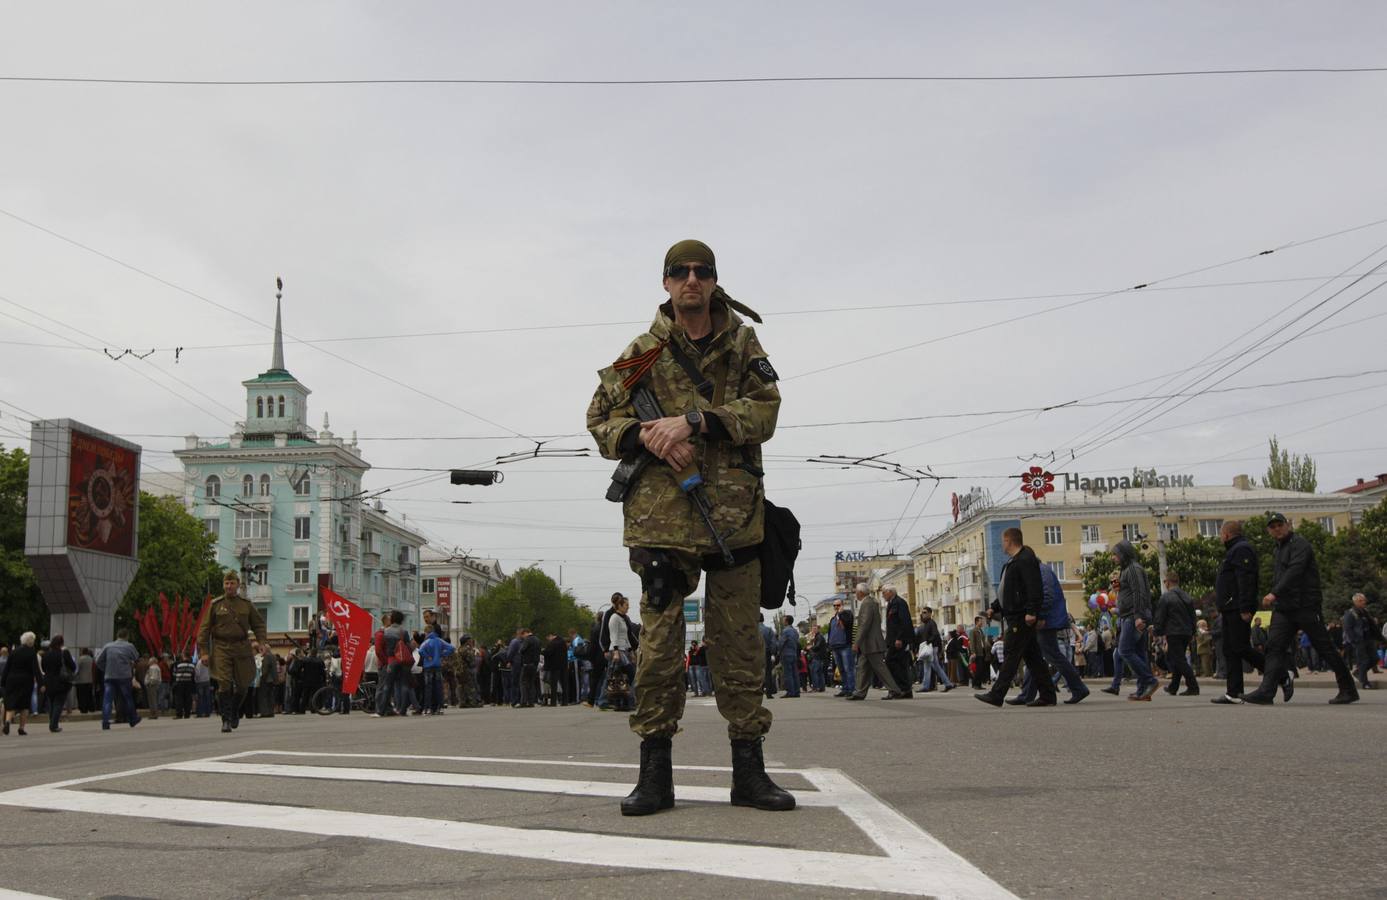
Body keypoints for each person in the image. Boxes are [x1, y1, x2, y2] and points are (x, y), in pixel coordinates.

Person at [586, 238, 792, 816]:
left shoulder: (741, 344)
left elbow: (766, 411)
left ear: (714, 280)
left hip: (733, 518)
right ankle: (655, 776)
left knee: (740, 647)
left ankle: (749, 773)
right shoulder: (643, 353)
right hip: (661, 518)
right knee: (657, 648)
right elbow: (599, 418)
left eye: (702, 272)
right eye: (681, 272)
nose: (692, 281)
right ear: (667, 283)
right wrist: (643, 435)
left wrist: (695, 421)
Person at [1243, 514, 1358, 705]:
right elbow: (1280, 575)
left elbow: (1294, 571)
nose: (1277, 529)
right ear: (1269, 531)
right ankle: (1266, 691)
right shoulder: (1278, 549)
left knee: (1325, 647)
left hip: (1305, 605)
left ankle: (1348, 689)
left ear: (1287, 526)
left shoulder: (1300, 544)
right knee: (1274, 647)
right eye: (1273, 527)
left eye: (1280, 525)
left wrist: (1274, 593)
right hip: (1284, 609)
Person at [975, 528, 1056, 708]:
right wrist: (994, 607)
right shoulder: (1014, 561)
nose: (1002, 545)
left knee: (1011, 654)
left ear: (1009, 541)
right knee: (1034, 659)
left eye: (1003, 542)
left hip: (1021, 617)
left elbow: (1034, 588)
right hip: (1015, 615)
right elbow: (1009, 591)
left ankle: (997, 694)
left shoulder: (1026, 560)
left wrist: (1032, 611)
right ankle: (1048, 695)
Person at [196, 570, 269, 733]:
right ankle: (226, 719)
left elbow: (258, 624)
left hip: (242, 647)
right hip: (221, 647)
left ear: (238, 585)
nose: (229, 586)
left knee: (243, 684)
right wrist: (204, 652)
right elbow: (204, 629)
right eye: (226, 583)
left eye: (232, 583)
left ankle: (235, 709)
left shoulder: (246, 604)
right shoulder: (215, 605)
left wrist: (262, 642)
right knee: (224, 682)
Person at [1012, 562, 1089, 705]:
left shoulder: (1041, 570)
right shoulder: (1038, 571)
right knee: (1036, 656)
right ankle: (1027, 694)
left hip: (1047, 621)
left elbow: (1046, 595)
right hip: (1046, 619)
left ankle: (1079, 688)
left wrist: (1041, 616)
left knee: (1051, 656)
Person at [1104, 540, 1159, 701]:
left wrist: (1137, 616)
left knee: (1125, 650)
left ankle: (1150, 681)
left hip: (1132, 616)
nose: (1113, 558)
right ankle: (1143, 690)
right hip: (1131, 615)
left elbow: (1139, 593)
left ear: (1123, 554)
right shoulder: (1128, 569)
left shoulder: (1133, 569)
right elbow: (1131, 591)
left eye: (1115, 554)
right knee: (1139, 652)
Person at [847, 587, 905, 701]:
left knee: (880, 669)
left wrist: (856, 642)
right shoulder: (870, 602)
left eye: (856, 592)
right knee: (862, 667)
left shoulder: (867, 603)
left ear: (860, 592)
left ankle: (895, 690)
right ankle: (860, 692)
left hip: (871, 643)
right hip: (868, 644)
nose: (855, 595)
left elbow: (865, 624)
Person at [1154, 572, 1199, 696]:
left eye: (1165, 582)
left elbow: (1160, 616)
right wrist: (1193, 632)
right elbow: (1193, 616)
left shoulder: (1166, 597)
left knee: (1179, 660)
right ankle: (1173, 687)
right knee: (1178, 659)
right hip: (1186, 632)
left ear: (1168, 582)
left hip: (1173, 632)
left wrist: (1157, 631)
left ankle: (1193, 686)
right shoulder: (1187, 596)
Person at [95, 630, 142, 730]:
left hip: (109, 676)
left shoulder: (108, 646)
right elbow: (136, 657)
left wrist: (106, 668)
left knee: (107, 699)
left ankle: (105, 722)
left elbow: (98, 660)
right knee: (127, 698)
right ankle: (133, 719)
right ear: (127, 636)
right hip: (124, 676)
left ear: (117, 636)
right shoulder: (129, 646)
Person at [3, 632, 40, 736]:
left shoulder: (14, 652)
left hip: (12, 680)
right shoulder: (31, 652)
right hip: (26, 681)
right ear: (31, 641)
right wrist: (41, 683)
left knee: (11, 703)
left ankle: (7, 721)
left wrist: (3, 682)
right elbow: (36, 669)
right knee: (24, 705)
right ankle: (21, 728)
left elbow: (7, 667)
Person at [882, 586, 915, 698]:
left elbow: (904, 622)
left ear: (890, 592)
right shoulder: (892, 603)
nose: (882, 595)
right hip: (892, 640)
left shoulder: (899, 603)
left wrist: (900, 638)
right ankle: (902, 689)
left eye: (884, 593)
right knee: (895, 664)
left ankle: (903, 689)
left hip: (898, 640)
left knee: (894, 663)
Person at [38, 635, 76, 733]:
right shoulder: (64, 653)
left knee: (52, 703)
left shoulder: (46, 654)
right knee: (59, 703)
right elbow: (73, 666)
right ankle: (54, 725)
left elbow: (43, 667)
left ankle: (52, 722)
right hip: (61, 681)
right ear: (61, 643)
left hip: (48, 681)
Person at [916, 606, 955, 693]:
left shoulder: (931, 623)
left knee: (931, 667)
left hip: (932, 647)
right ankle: (947, 684)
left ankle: (928, 686)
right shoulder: (926, 623)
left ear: (930, 613)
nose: (923, 614)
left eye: (925, 612)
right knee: (932, 667)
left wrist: (928, 642)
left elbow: (935, 634)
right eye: (922, 613)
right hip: (930, 647)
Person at [1343, 593, 1377, 690]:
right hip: (1359, 641)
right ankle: (1365, 683)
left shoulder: (1365, 612)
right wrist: (1354, 640)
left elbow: (1372, 625)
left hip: (1368, 639)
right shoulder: (1350, 613)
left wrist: (1380, 638)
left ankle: (1358, 672)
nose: (1364, 602)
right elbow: (1348, 628)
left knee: (1375, 658)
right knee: (1364, 661)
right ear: (1356, 602)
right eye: (1361, 600)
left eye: (1364, 600)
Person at [418, 629, 456, 714]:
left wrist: (427, 656)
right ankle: (440, 707)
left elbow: (420, 651)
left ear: (427, 633)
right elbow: (452, 648)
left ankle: (428, 708)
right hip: (437, 665)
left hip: (428, 666)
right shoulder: (439, 641)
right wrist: (442, 654)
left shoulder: (426, 642)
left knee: (428, 687)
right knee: (438, 686)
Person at [828, 595, 856, 696]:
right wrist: (829, 644)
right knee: (841, 669)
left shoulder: (847, 614)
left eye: (838, 605)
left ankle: (852, 689)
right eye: (834, 606)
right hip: (835, 647)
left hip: (845, 646)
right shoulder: (833, 619)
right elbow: (831, 632)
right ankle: (845, 688)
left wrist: (841, 613)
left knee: (848, 668)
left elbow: (848, 623)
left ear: (842, 605)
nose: (836, 607)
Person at [776, 615, 801, 698]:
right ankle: (797, 691)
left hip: (786, 654)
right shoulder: (795, 631)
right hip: (794, 653)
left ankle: (790, 692)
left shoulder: (785, 631)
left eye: (783, 620)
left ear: (786, 621)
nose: (783, 621)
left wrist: (778, 651)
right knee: (795, 673)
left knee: (788, 674)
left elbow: (781, 643)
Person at [968, 615, 990, 688]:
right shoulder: (973, 631)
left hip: (982, 651)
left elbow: (983, 641)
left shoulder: (980, 631)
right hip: (977, 652)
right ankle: (976, 684)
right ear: (977, 622)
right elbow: (972, 643)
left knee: (981, 669)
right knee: (978, 669)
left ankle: (978, 684)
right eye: (981, 621)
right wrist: (973, 652)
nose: (982, 622)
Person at [172, 654, 196, 719]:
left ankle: (179, 714)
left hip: (180, 683)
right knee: (188, 699)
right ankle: (187, 714)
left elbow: (174, 674)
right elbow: (193, 675)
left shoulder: (178, 664)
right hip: (189, 683)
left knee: (179, 699)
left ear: (184, 657)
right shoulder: (192, 665)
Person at [806, 625, 828, 693]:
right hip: (820, 656)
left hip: (817, 656)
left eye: (815, 629)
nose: (813, 630)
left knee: (814, 672)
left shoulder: (819, 636)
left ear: (818, 629)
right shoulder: (817, 636)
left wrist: (810, 647)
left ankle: (815, 687)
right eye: (813, 629)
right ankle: (821, 687)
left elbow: (817, 646)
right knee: (819, 672)